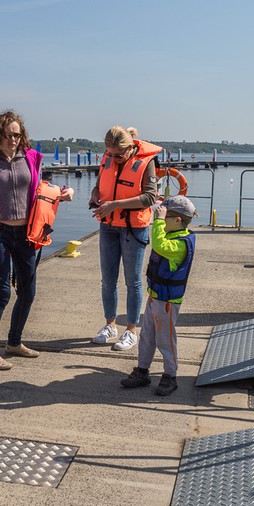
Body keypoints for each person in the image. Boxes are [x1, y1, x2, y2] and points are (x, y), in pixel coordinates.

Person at [0, 110, 74, 369]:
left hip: (28, 233)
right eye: (9, 135)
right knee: (2, 293)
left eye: (18, 135)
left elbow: (41, 188)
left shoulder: (30, 158)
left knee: (28, 292)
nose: (14, 140)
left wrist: (63, 193)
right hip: (0, 233)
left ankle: (14, 342)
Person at [90, 125, 162, 351]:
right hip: (108, 226)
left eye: (119, 155)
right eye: (110, 154)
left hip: (134, 228)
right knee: (108, 280)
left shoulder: (147, 162)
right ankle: (110, 325)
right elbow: (99, 185)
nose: (115, 159)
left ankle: (131, 330)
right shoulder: (109, 158)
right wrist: (95, 197)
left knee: (133, 281)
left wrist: (115, 205)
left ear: (130, 148)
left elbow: (150, 197)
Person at [121, 196, 196, 396]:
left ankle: (170, 375)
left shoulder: (180, 244)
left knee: (166, 339)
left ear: (178, 220)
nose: (161, 219)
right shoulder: (172, 235)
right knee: (146, 336)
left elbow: (158, 245)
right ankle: (142, 370)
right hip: (155, 296)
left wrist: (158, 221)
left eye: (166, 216)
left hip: (168, 302)